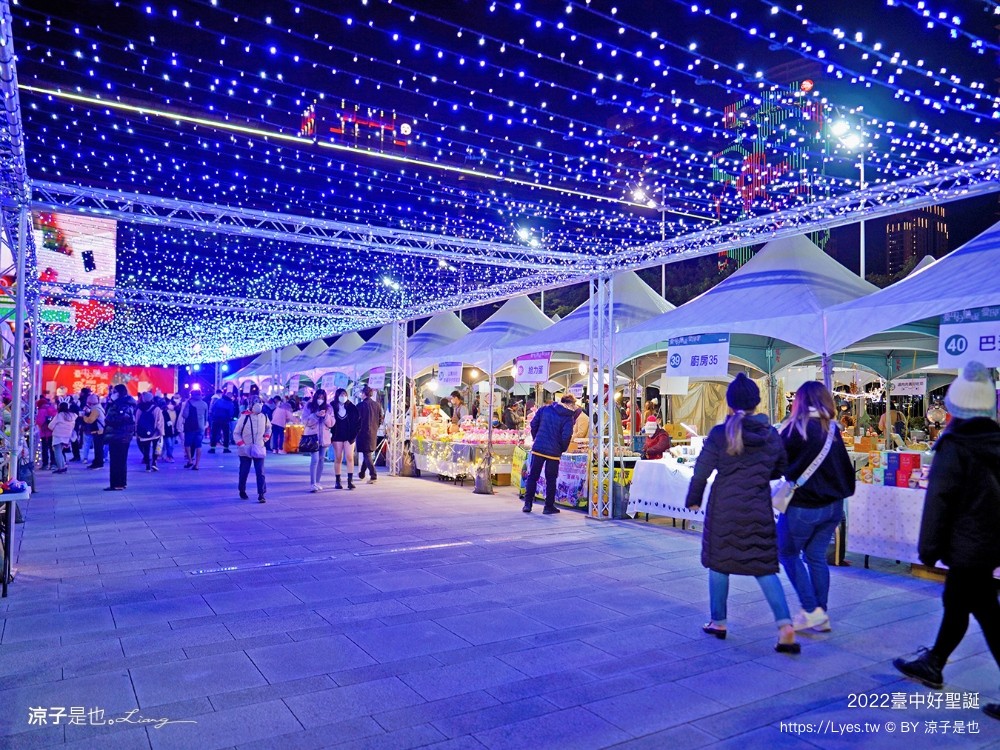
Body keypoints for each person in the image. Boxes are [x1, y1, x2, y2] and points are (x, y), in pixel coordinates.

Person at [893, 363, 1000, 722]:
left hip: (967, 545)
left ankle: (933, 663)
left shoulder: (955, 445)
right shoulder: (995, 442)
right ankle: (933, 663)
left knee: (982, 612)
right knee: (966, 605)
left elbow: (939, 500)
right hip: (988, 544)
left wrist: (928, 549)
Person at [685, 373, 798, 653]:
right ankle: (785, 627)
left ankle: (719, 621)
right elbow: (782, 467)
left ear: (730, 402)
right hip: (758, 507)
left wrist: (693, 498)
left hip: (724, 507)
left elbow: (702, 470)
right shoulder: (771, 434)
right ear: (757, 403)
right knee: (764, 566)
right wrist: (759, 474)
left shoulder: (721, 433)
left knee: (719, 563)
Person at [777, 381, 856, 633]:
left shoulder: (793, 429)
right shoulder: (832, 429)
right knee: (815, 557)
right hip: (833, 507)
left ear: (799, 401)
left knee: (788, 553)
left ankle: (811, 611)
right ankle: (820, 613)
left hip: (803, 507)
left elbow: (776, 466)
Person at [523, 393, 577, 515]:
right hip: (554, 452)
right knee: (551, 479)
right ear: (571, 404)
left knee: (533, 477)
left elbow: (533, 424)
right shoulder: (568, 417)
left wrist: (537, 438)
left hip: (538, 448)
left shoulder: (544, 409)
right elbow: (566, 435)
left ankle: (527, 504)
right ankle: (548, 506)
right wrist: (561, 449)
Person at [234, 396, 271, 503]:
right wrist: (242, 445)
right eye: (256, 403)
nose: (258, 405)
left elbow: (269, 428)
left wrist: (265, 438)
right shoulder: (244, 417)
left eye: (260, 402)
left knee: (260, 471)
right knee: (244, 471)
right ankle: (242, 490)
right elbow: (236, 433)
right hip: (245, 449)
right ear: (250, 404)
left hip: (259, 447)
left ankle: (261, 493)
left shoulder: (264, 416)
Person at [104, 384, 136, 491]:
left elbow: (113, 419)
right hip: (121, 435)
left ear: (119, 393)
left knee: (117, 460)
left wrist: (108, 419)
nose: (112, 394)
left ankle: (117, 484)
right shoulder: (124, 404)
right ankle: (121, 483)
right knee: (120, 460)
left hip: (119, 435)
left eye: (114, 392)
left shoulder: (123, 405)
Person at [303, 389, 334, 492]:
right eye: (318, 397)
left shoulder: (329, 408)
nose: (320, 400)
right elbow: (305, 421)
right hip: (313, 437)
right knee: (315, 459)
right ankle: (312, 483)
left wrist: (325, 416)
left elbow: (331, 423)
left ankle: (318, 482)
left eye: (322, 398)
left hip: (324, 437)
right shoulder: (309, 406)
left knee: (321, 460)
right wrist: (315, 415)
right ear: (315, 397)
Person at [330, 388, 360, 490]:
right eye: (341, 395)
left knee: (349, 457)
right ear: (337, 395)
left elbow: (358, 422)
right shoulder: (332, 406)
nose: (343, 396)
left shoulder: (352, 407)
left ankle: (350, 480)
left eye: (345, 394)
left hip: (349, 436)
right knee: (338, 457)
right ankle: (337, 481)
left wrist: (354, 435)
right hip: (337, 436)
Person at [357, 386, 385, 484]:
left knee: (367, 453)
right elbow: (381, 418)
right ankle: (362, 473)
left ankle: (373, 475)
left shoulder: (360, 405)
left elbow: (356, 420)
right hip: (373, 432)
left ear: (364, 393)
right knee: (367, 453)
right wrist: (376, 427)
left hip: (363, 432)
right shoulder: (377, 405)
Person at [134, 392, 164, 472]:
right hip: (155, 433)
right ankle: (154, 462)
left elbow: (136, 421)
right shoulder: (156, 409)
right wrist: (161, 432)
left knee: (146, 449)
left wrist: (136, 432)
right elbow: (159, 422)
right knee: (155, 448)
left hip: (143, 433)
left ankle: (147, 465)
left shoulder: (139, 408)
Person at [180, 390, 209, 469]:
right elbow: (206, 417)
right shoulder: (204, 404)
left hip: (190, 427)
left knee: (187, 444)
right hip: (200, 427)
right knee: (198, 445)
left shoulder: (189, 403)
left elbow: (185, 415)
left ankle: (190, 460)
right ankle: (197, 464)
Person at [47, 402, 76, 474]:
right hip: (67, 436)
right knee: (60, 452)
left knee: (57, 452)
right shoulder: (72, 416)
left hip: (58, 435)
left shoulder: (59, 416)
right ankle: (63, 466)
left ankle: (60, 467)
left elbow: (50, 426)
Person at [83, 394, 106, 469]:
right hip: (100, 431)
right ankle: (97, 462)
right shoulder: (99, 407)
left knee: (98, 448)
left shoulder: (95, 410)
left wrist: (84, 416)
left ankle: (98, 463)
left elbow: (90, 420)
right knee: (98, 448)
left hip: (98, 431)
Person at [35, 397, 57, 470]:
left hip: (44, 433)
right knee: (52, 449)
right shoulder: (52, 408)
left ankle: (45, 464)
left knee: (44, 449)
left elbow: (39, 421)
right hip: (52, 432)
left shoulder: (41, 410)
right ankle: (53, 463)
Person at [161, 397, 178, 462]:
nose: (171, 405)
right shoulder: (164, 412)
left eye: (172, 404)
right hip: (167, 431)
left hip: (174, 431)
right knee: (169, 444)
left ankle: (165, 455)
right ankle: (169, 457)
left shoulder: (176, 412)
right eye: (169, 404)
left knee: (171, 445)